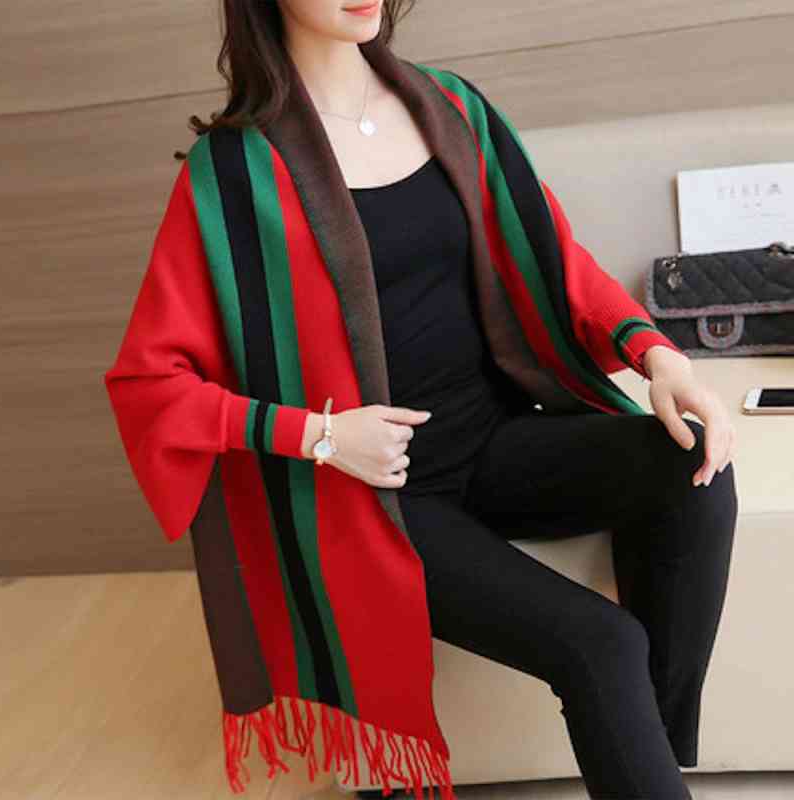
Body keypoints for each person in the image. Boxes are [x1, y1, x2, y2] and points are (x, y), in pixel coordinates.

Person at [109, 1, 738, 797]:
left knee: (695, 464)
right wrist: (321, 436)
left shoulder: (450, 107)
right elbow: (151, 386)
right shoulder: (233, 172)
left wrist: (657, 356)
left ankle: (649, 750)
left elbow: (555, 256)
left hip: (499, 443)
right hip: (382, 497)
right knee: (602, 645)